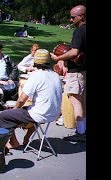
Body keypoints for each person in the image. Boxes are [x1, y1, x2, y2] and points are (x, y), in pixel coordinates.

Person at [0, 49, 63, 149]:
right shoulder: (56, 75)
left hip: (41, 114)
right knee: (32, 110)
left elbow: (21, 100)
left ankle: (13, 142)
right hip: (54, 114)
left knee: (4, 116)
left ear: (35, 61)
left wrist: (15, 109)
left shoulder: (36, 76)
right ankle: (27, 138)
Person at [50, 5, 86, 142]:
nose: (71, 20)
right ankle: (84, 130)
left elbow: (75, 52)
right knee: (83, 102)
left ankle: (81, 133)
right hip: (83, 71)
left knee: (76, 102)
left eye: (73, 17)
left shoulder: (79, 31)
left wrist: (58, 58)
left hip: (76, 72)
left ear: (81, 16)